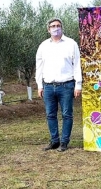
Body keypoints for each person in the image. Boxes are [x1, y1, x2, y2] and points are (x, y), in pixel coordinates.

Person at [36, 17, 82, 152]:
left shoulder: (71, 44)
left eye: (58, 25)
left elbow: (77, 65)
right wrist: (39, 85)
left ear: (62, 27)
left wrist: (78, 85)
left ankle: (64, 142)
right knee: (50, 114)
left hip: (66, 85)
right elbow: (39, 66)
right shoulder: (43, 46)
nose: (56, 28)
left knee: (67, 114)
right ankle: (54, 140)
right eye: (53, 26)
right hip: (48, 85)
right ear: (48, 29)